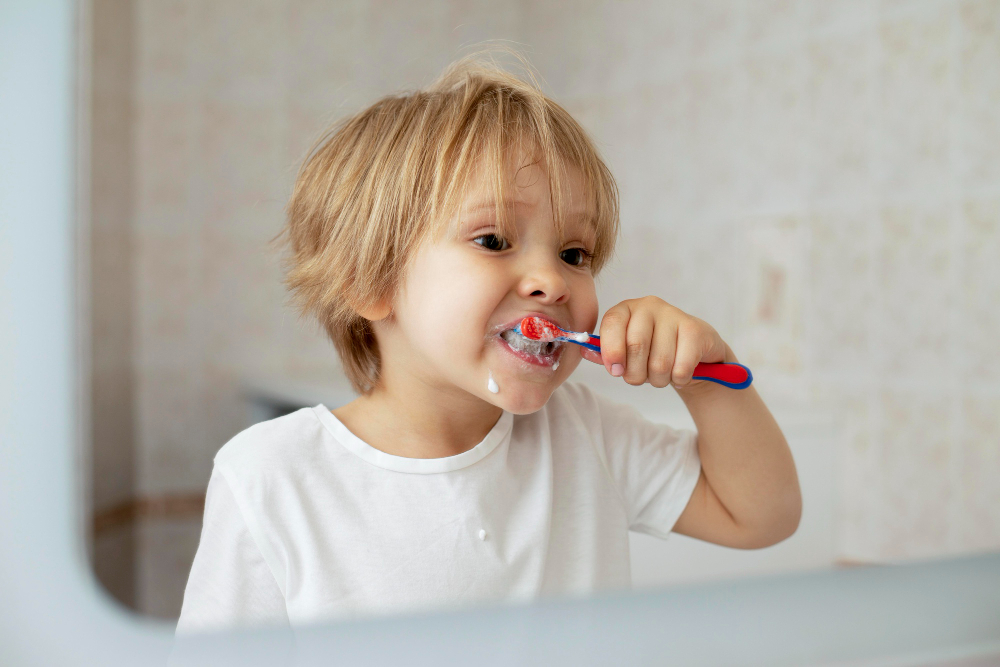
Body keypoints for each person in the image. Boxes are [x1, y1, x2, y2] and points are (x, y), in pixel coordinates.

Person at [174, 50, 801, 636]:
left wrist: (704, 374)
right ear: (370, 280)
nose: (552, 280)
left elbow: (761, 516)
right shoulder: (272, 478)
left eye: (574, 253)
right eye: (494, 240)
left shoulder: (587, 437)